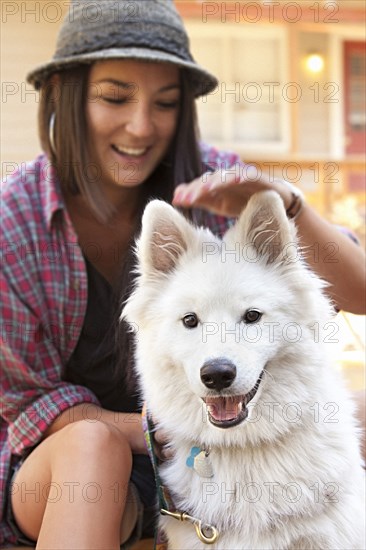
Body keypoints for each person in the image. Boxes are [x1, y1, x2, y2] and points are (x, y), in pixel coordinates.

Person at [1, 1, 365, 548]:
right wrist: (167, 429)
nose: (141, 126)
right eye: (115, 96)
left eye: (166, 103)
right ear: (65, 95)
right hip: (75, 473)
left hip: (217, 450)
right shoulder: (16, 221)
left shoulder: (210, 185)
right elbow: (28, 403)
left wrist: (288, 203)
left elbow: (354, 291)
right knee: (91, 447)